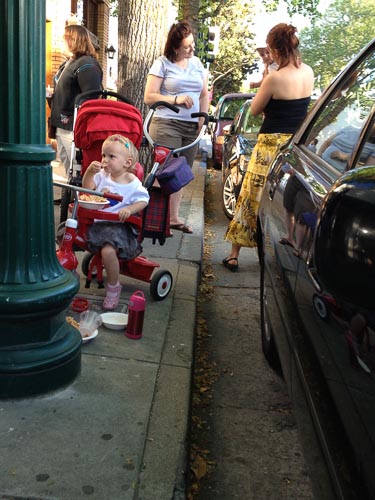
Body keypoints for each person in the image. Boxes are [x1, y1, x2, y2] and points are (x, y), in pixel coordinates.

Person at [223, 23, 314, 271]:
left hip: (269, 144)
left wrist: (265, 75)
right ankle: (290, 248)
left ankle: (234, 254)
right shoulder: (308, 72)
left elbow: (254, 109)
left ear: (275, 49)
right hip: (293, 145)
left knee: (250, 197)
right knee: (286, 199)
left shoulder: (274, 78)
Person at [144, 20, 209, 234]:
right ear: (174, 47)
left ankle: (172, 218)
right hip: (166, 124)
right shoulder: (162, 63)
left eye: (192, 44)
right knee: (164, 171)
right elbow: (149, 97)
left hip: (191, 126)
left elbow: (203, 94)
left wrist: (203, 118)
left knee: (181, 173)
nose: (191, 49)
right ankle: (155, 219)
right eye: (186, 46)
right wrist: (176, 99)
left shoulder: (197, 64)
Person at [82, 135, 150, 310]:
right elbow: (88, 189)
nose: (105, 160)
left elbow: (144, 199)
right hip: (98, 222)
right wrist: (90, 173)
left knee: (108, 250)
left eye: (111, 157)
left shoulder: (131, 183)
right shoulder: (102, 175)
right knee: (67, 232)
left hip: (119, 227)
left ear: (127, 163)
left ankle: (113, 287)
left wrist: (130, 210)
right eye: (104, 155)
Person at [50, 24, 103, 177]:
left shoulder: (87, 63)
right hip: (61, 124)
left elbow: (91, 97)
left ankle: (77, 197)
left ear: (73, 41)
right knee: (69, 167)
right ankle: (70, 196)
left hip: (74, 126)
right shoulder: (67, 63)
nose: (61, 44)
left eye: (63, 40)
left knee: (77, 166)